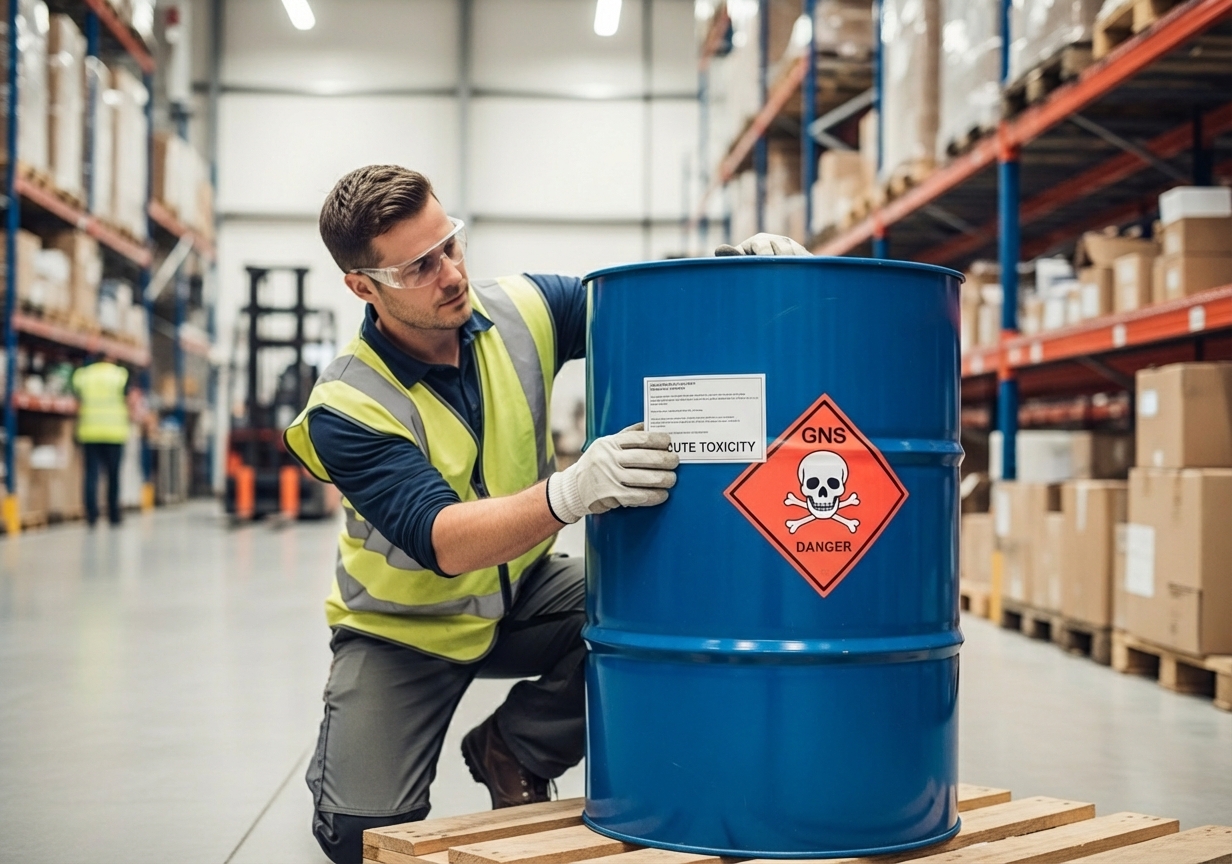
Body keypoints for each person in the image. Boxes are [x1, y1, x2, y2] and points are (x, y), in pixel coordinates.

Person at [283, 164, 810, 864]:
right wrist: (569, 493)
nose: (451, 274)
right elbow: (443, 540)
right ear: (363, 287)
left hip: (524, 591)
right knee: (362, 834)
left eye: (450, 244)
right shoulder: (347, 407)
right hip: (403, 629)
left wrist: (742, 273)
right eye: (418, 267)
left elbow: (646, 306)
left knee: (672, 610)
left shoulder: (522, 310)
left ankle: (517, 745)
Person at [71, 353, 131, 526]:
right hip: (114, 433)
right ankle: (113, 514)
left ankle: (91, 515)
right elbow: (128, 402)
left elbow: (77, 402)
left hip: (89, 431)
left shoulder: (83, 375)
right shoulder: (120, 375)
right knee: (113, 475)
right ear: (111, 359)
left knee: (91, 474)